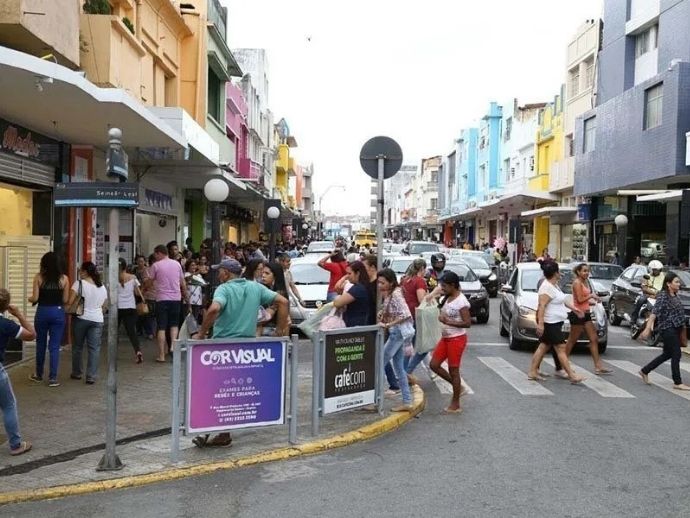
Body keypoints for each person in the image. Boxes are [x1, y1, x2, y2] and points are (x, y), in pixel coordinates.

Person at [190, 259, 289, 448]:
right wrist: (281, 329)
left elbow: (214, 308)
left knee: (215, 391)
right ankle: (220, 433)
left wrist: (202, 333)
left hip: (223, 348)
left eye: (220, 271)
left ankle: (211, 430)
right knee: (233, 391)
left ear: (226, 273)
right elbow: (282, 301)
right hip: (246, 348)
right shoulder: (255, 287)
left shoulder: (224, 289)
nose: (218, 275)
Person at [527, 261, 585, 384]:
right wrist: (541, 324)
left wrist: (575, 309)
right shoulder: (546, 287)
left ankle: (533, 371)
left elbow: (563, 299)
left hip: (555, 322)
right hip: (550, 322)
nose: (560, 274)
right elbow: (542, 306)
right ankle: (571, 375)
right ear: (555, 273)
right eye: (559, 272)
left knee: (543, 346)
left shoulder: (554, 285)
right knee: (561, 348)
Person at [639, 272, 690, 390]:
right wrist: (647, 329)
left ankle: (644, 370)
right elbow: (654, 313)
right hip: (667, 328)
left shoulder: (675, 295)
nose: (679, 284)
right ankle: (677, 382)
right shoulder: (663, 295)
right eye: (676, 282)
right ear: (668, 283)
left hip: (676, 328)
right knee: (676, 353)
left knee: (667, 354)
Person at [429, 271, 471, 414]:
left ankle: (455, 402)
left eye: (445, 285)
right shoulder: (447, 297)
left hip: (456, 339)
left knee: (454, 370)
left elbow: (467, 323)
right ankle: (457, 387)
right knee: (434, 365)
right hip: (446, 338)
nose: (442, 288)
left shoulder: (461, 301)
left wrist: (449, 321)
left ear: (453, 285)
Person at [0, 289, 35, 455]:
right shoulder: (6, 325)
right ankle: (15, 445)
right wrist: (19, 314)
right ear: (6, 306)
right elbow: (31, 335)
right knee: (8, 405)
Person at [28, 251, 69, 387]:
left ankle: (39, 375)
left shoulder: (39, 278)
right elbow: (65, 299)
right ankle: (52, 378)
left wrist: (29, 299)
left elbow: (35, 298)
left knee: (40, 344)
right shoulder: (64, 279)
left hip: (42, 312)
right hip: (58, 312)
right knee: (54, 346)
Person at [562, 263, 612, 375]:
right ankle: (562, 364)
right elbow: (579, 300)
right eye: (584, 271)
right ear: (578, 272)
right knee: (572, 341)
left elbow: (583, 300)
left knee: (594, 339)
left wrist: (593, 301)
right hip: (578, 314)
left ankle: (598, 366)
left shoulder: (585, 282)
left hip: (586, 314)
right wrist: (591, 296)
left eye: (587, 271)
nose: (586, 273)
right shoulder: (577, 283)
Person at [377, 268, 414, 412]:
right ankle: (407, 401)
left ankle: (375, 400)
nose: (380, 285)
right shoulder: (392, 293)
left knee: (380, 363)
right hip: (398, 333)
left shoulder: (396, 294)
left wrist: (387, 324)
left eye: (382, 283)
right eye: (379, 283)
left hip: (397, 333)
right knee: (399, 367)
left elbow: (405, 314)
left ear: (391, 283)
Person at [146, 244, 187, 363]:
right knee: (174, 325)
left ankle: (161, 355)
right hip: (176, 299)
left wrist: (146, 286)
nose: (155, 257)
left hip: (162, 299)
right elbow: (182, 282)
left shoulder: (156, 266)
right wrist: (185, 295)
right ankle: (173, 348)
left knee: (162, 327)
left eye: (155, 254)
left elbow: (149, 282)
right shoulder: (177, 264)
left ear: (159, 253)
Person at [69, 261, 108, 384]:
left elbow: (70, 301)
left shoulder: (79, 284)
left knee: (77, 347)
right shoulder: (101, 286)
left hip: (81, 318)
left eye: (80, 270)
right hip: (97, 319)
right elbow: (105, 304)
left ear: (85, 272)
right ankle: (91, 376)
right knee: (94, 349)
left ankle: (77, 373)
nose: (79, 272)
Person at [401, 259, 428, 383]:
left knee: (408, 347)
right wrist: (433, 295)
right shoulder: (419, 281)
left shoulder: (405, 280)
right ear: (422, 269)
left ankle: (403, 372)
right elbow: (422, 300)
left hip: (405, 316)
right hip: (416, 316)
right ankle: (406, 371)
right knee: (425, 346)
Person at [117, 258, 144, 364]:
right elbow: (138, 294)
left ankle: (113, 353)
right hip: (131, 308)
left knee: (114, 332)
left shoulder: (113, 279)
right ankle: (138, 351)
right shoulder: (133, 277)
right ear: (125, 267)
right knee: (132, 332)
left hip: (118, 308)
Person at [333, 261, 372, 327]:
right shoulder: (363, 286)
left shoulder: (358, 289)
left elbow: (337, 303)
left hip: (355, 327)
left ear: (357, 273)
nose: (347, 276)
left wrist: (339, 297)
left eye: (349, 274)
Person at [259, 262, 290, 336]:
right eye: (262, 273)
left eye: (267, 273)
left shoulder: (279, 294)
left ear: (275, 276)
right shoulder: (264, 289)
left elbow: (267, 316)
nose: (263, 276)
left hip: (272, 330)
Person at [134, 254, 155, 340]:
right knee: (143, 313)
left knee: (146, 314)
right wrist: (140, 292)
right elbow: (145, 284)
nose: (140, 263)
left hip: (147, 295)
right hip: (143, 294)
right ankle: (147, 331)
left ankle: (147, 331)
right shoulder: (143, 271)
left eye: (142, 261)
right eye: (139, 261)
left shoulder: (148, 270)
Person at [184, 259, 206, 325]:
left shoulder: (199, 276)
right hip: (188, 301)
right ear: (188, 266)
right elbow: (187, 279)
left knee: (195, 318)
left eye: (195, 265)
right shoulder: (185, 274)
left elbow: (203, 285)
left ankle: (194, 334)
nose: (194, 267)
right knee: (188, 318)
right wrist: (196, 273)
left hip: (197, 300)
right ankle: (187, 334)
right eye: (192, 265)